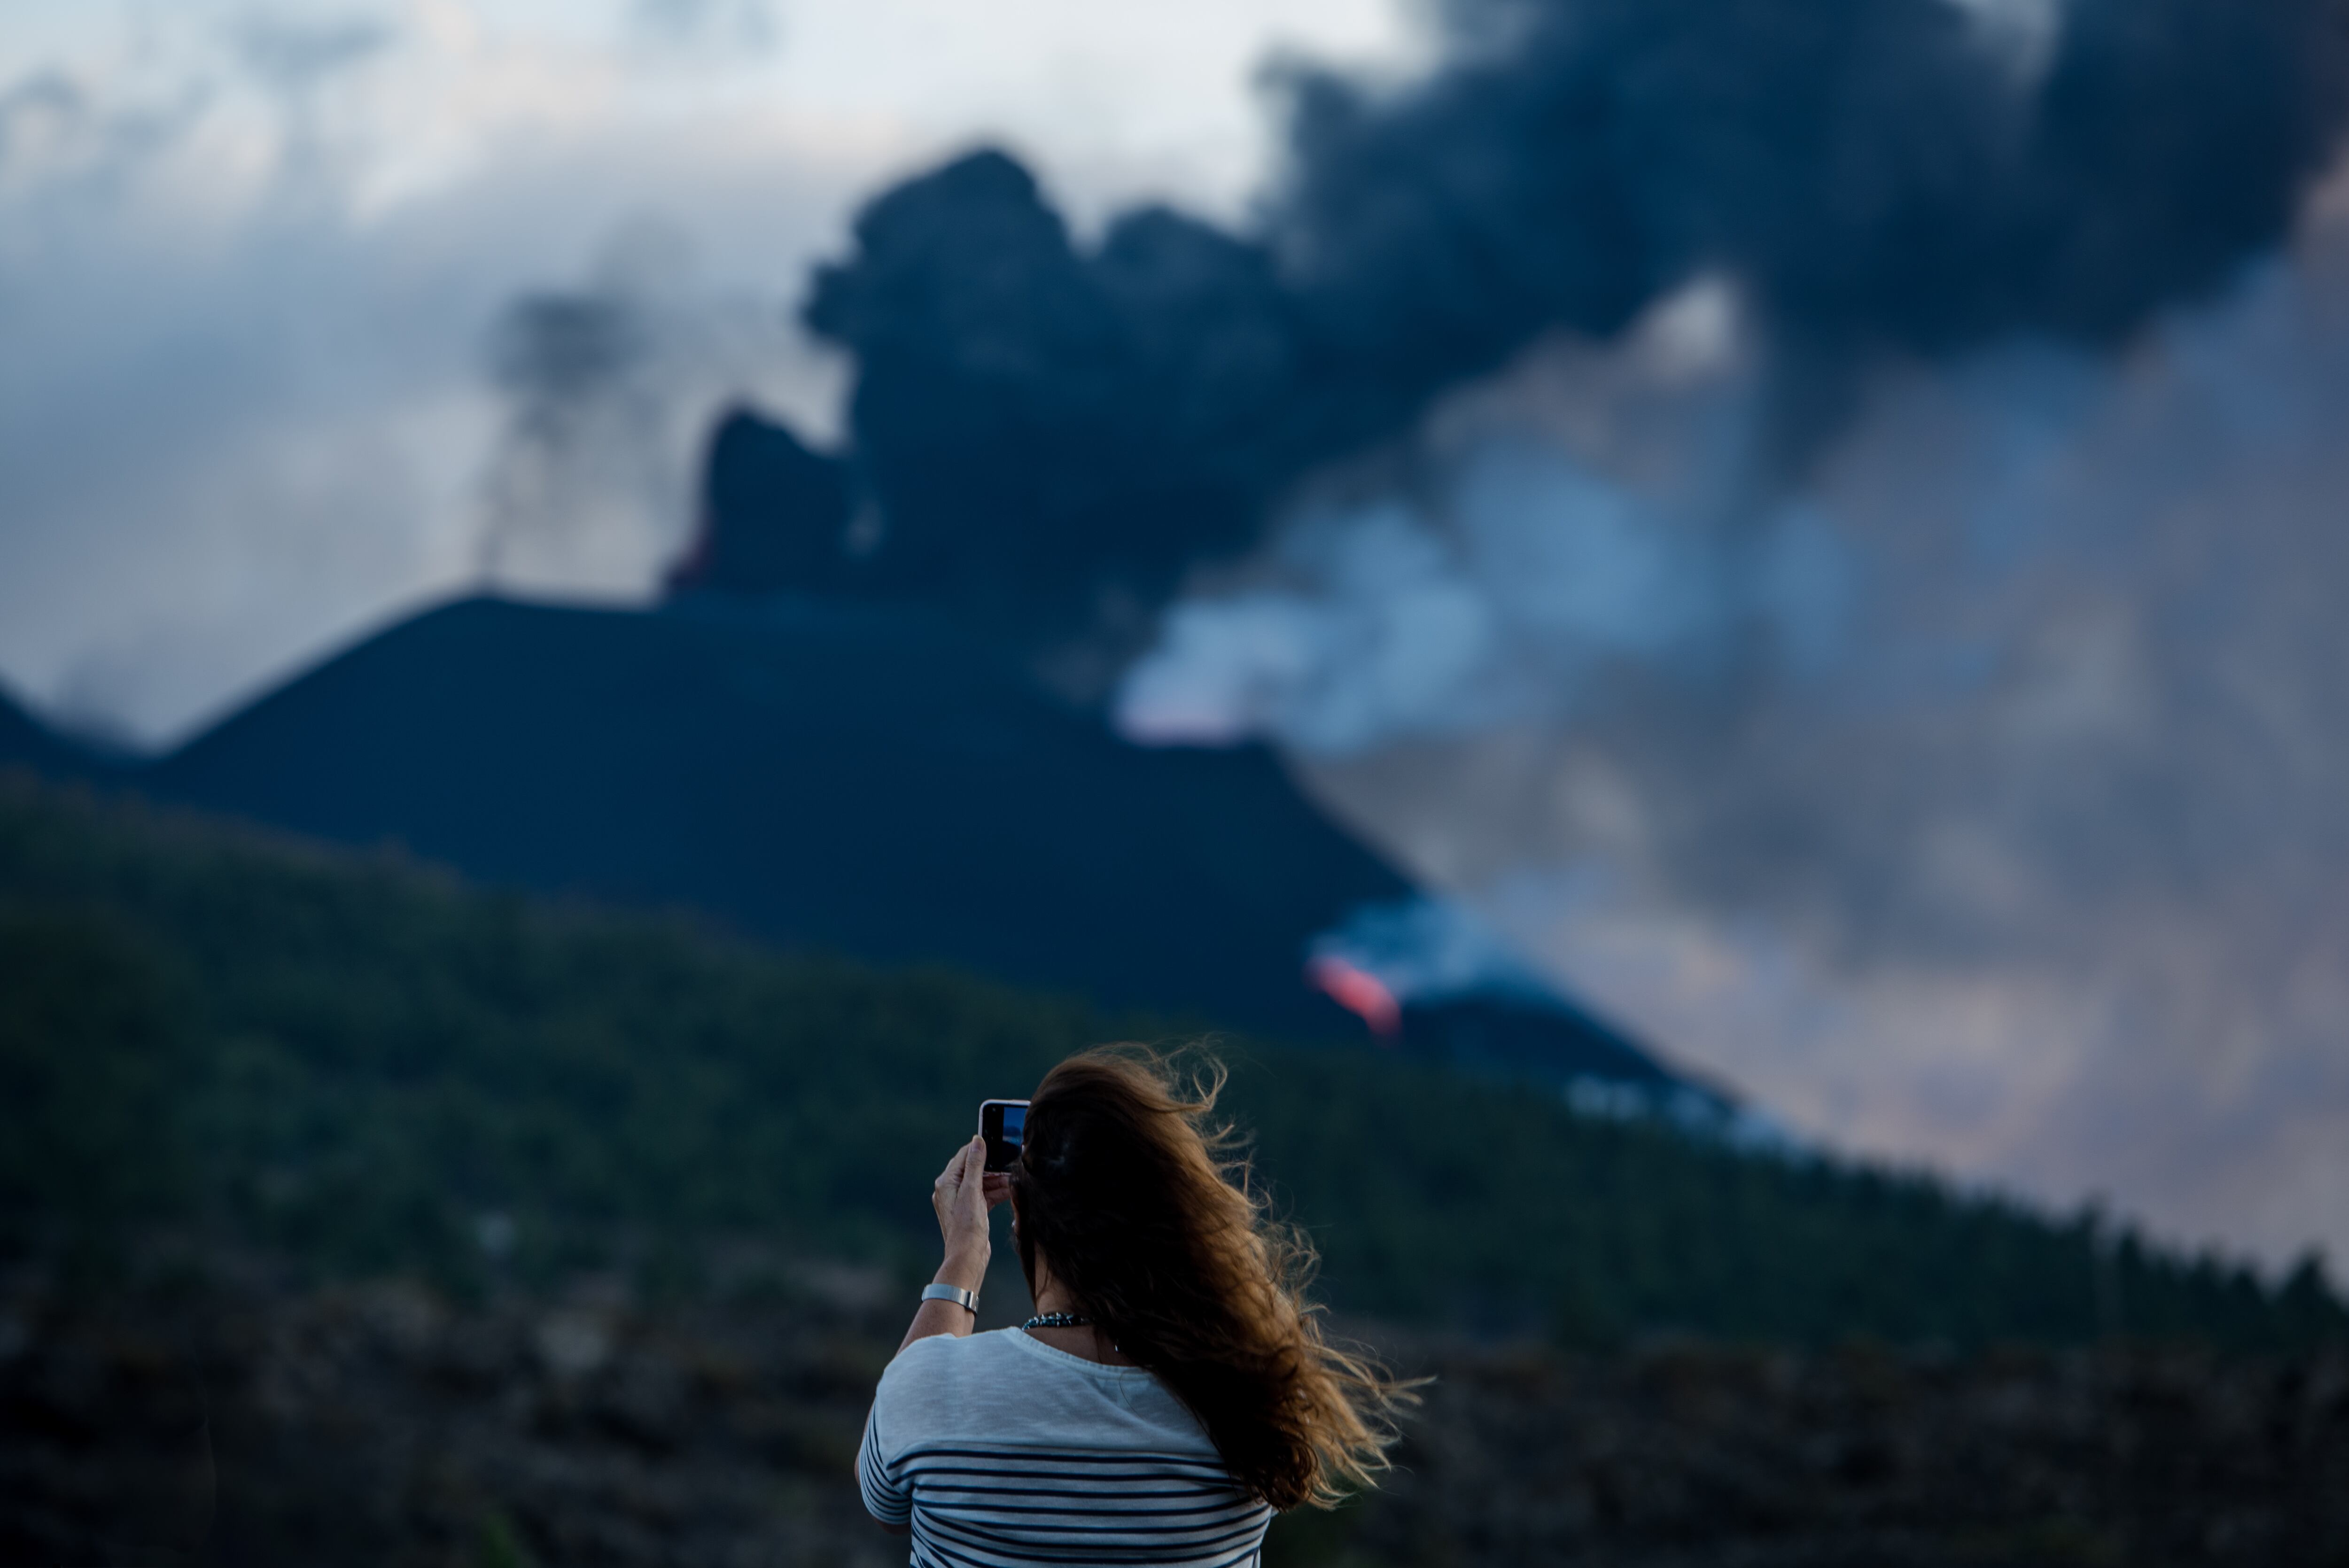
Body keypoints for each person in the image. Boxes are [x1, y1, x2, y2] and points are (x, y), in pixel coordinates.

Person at [857, 1047, 1409, 1568]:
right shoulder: (1242, 1402)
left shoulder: (935, 1386)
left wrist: (962, 1258)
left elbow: (883, 1501)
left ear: (1020, 1210)